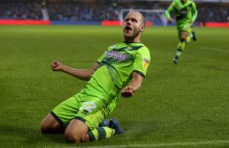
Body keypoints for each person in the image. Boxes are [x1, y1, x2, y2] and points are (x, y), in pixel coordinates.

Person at [40, 10, 151, 143]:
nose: (129, 22)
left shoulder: (141, 51)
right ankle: (85, 121)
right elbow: (91, 72)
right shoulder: (112, 48)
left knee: (73, 136)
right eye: (127, 19)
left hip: (102, 99)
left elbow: (137, 79)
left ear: (142, 28)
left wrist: (131, 88)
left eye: (134, 20)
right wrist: (64, 68)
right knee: (46, 127)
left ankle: (110, 128)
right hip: (84, 95)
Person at [165, 0, 198, 64]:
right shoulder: (176, 3)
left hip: (187, 23)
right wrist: (168, 17)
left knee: (183, 38)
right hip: (179, 25)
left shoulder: (191, 4)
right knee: (182, 41)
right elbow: (167, 11)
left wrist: (193, 20)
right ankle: (176, 57)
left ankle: (176, 58)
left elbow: (195, 12)